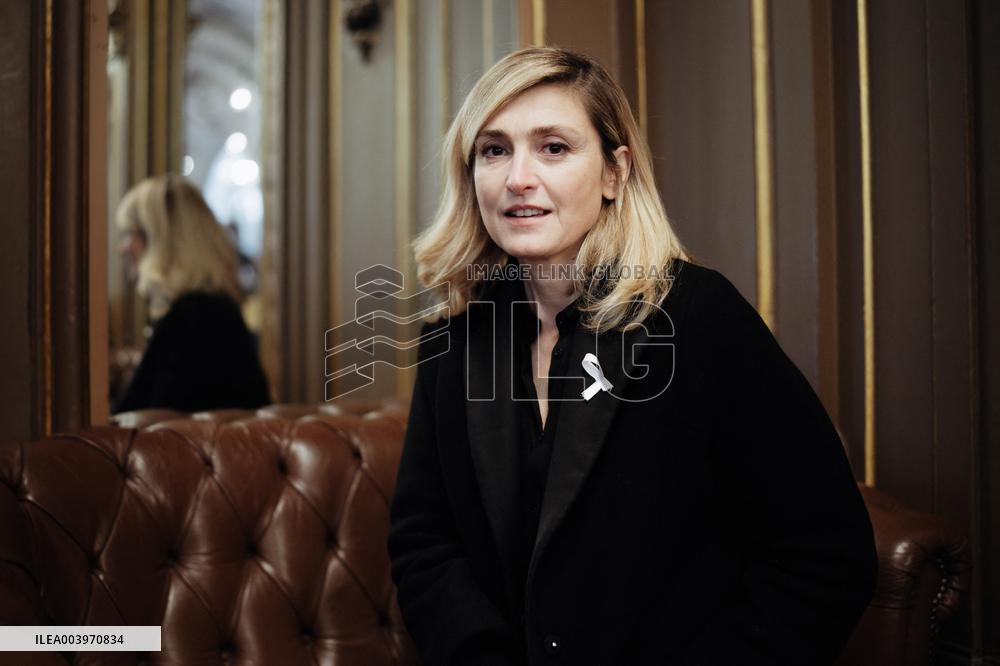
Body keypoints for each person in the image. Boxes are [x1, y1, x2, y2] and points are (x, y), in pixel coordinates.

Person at [387, 47, 877, 665]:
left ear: (615, 173)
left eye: (554, 147)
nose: (518, 178)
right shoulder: (454, 338)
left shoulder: (698, 318)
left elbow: (828, 554)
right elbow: (423, 543)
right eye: (495, 149)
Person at [113, 174, 271, 414]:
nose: (123, 247)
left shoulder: (192, 316)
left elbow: (148, 424)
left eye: (130, 233)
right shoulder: (207, 309)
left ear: (161, 240)